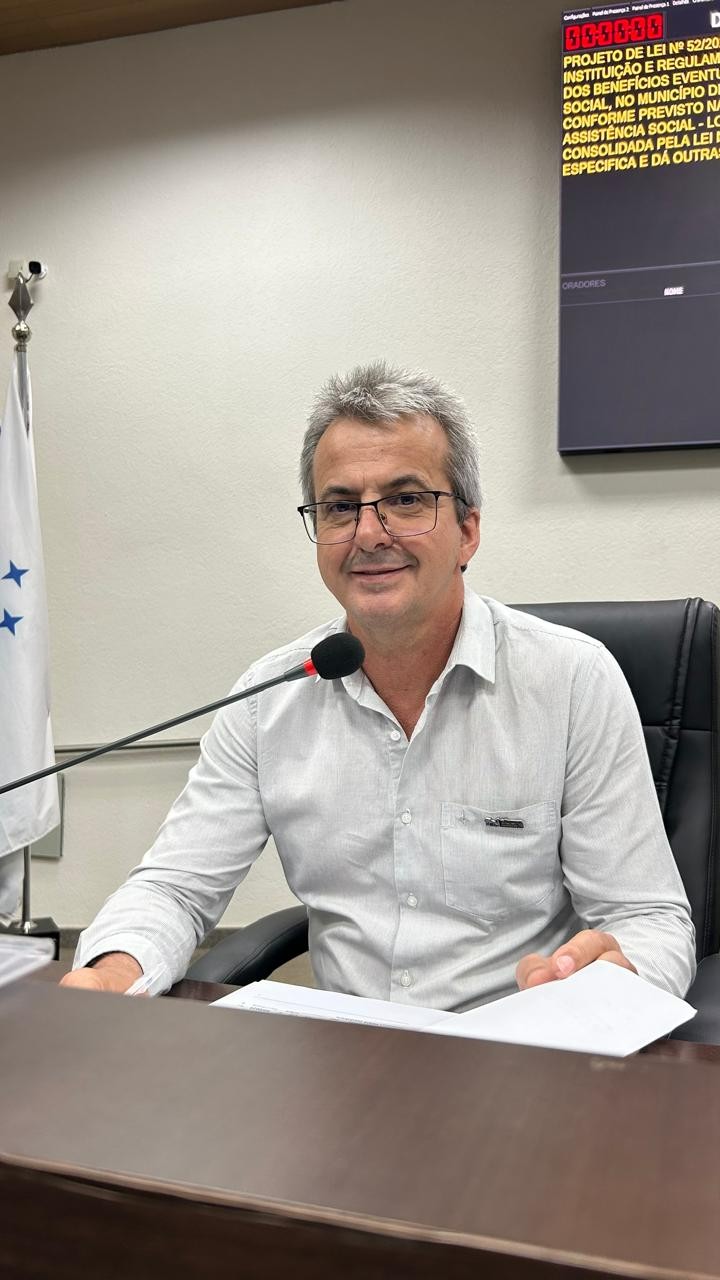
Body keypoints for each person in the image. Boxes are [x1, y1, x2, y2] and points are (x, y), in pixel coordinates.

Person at [61, 362, 695, 1004]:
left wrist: (617, 982)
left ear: (468, 531)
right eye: (340, 507)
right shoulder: (267, 699)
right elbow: (174, 888)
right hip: (344, 1051)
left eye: (406, 500)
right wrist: (113, 972)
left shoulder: (572, 681)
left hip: (517, 1043)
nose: (368, 534)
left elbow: (648, 919)